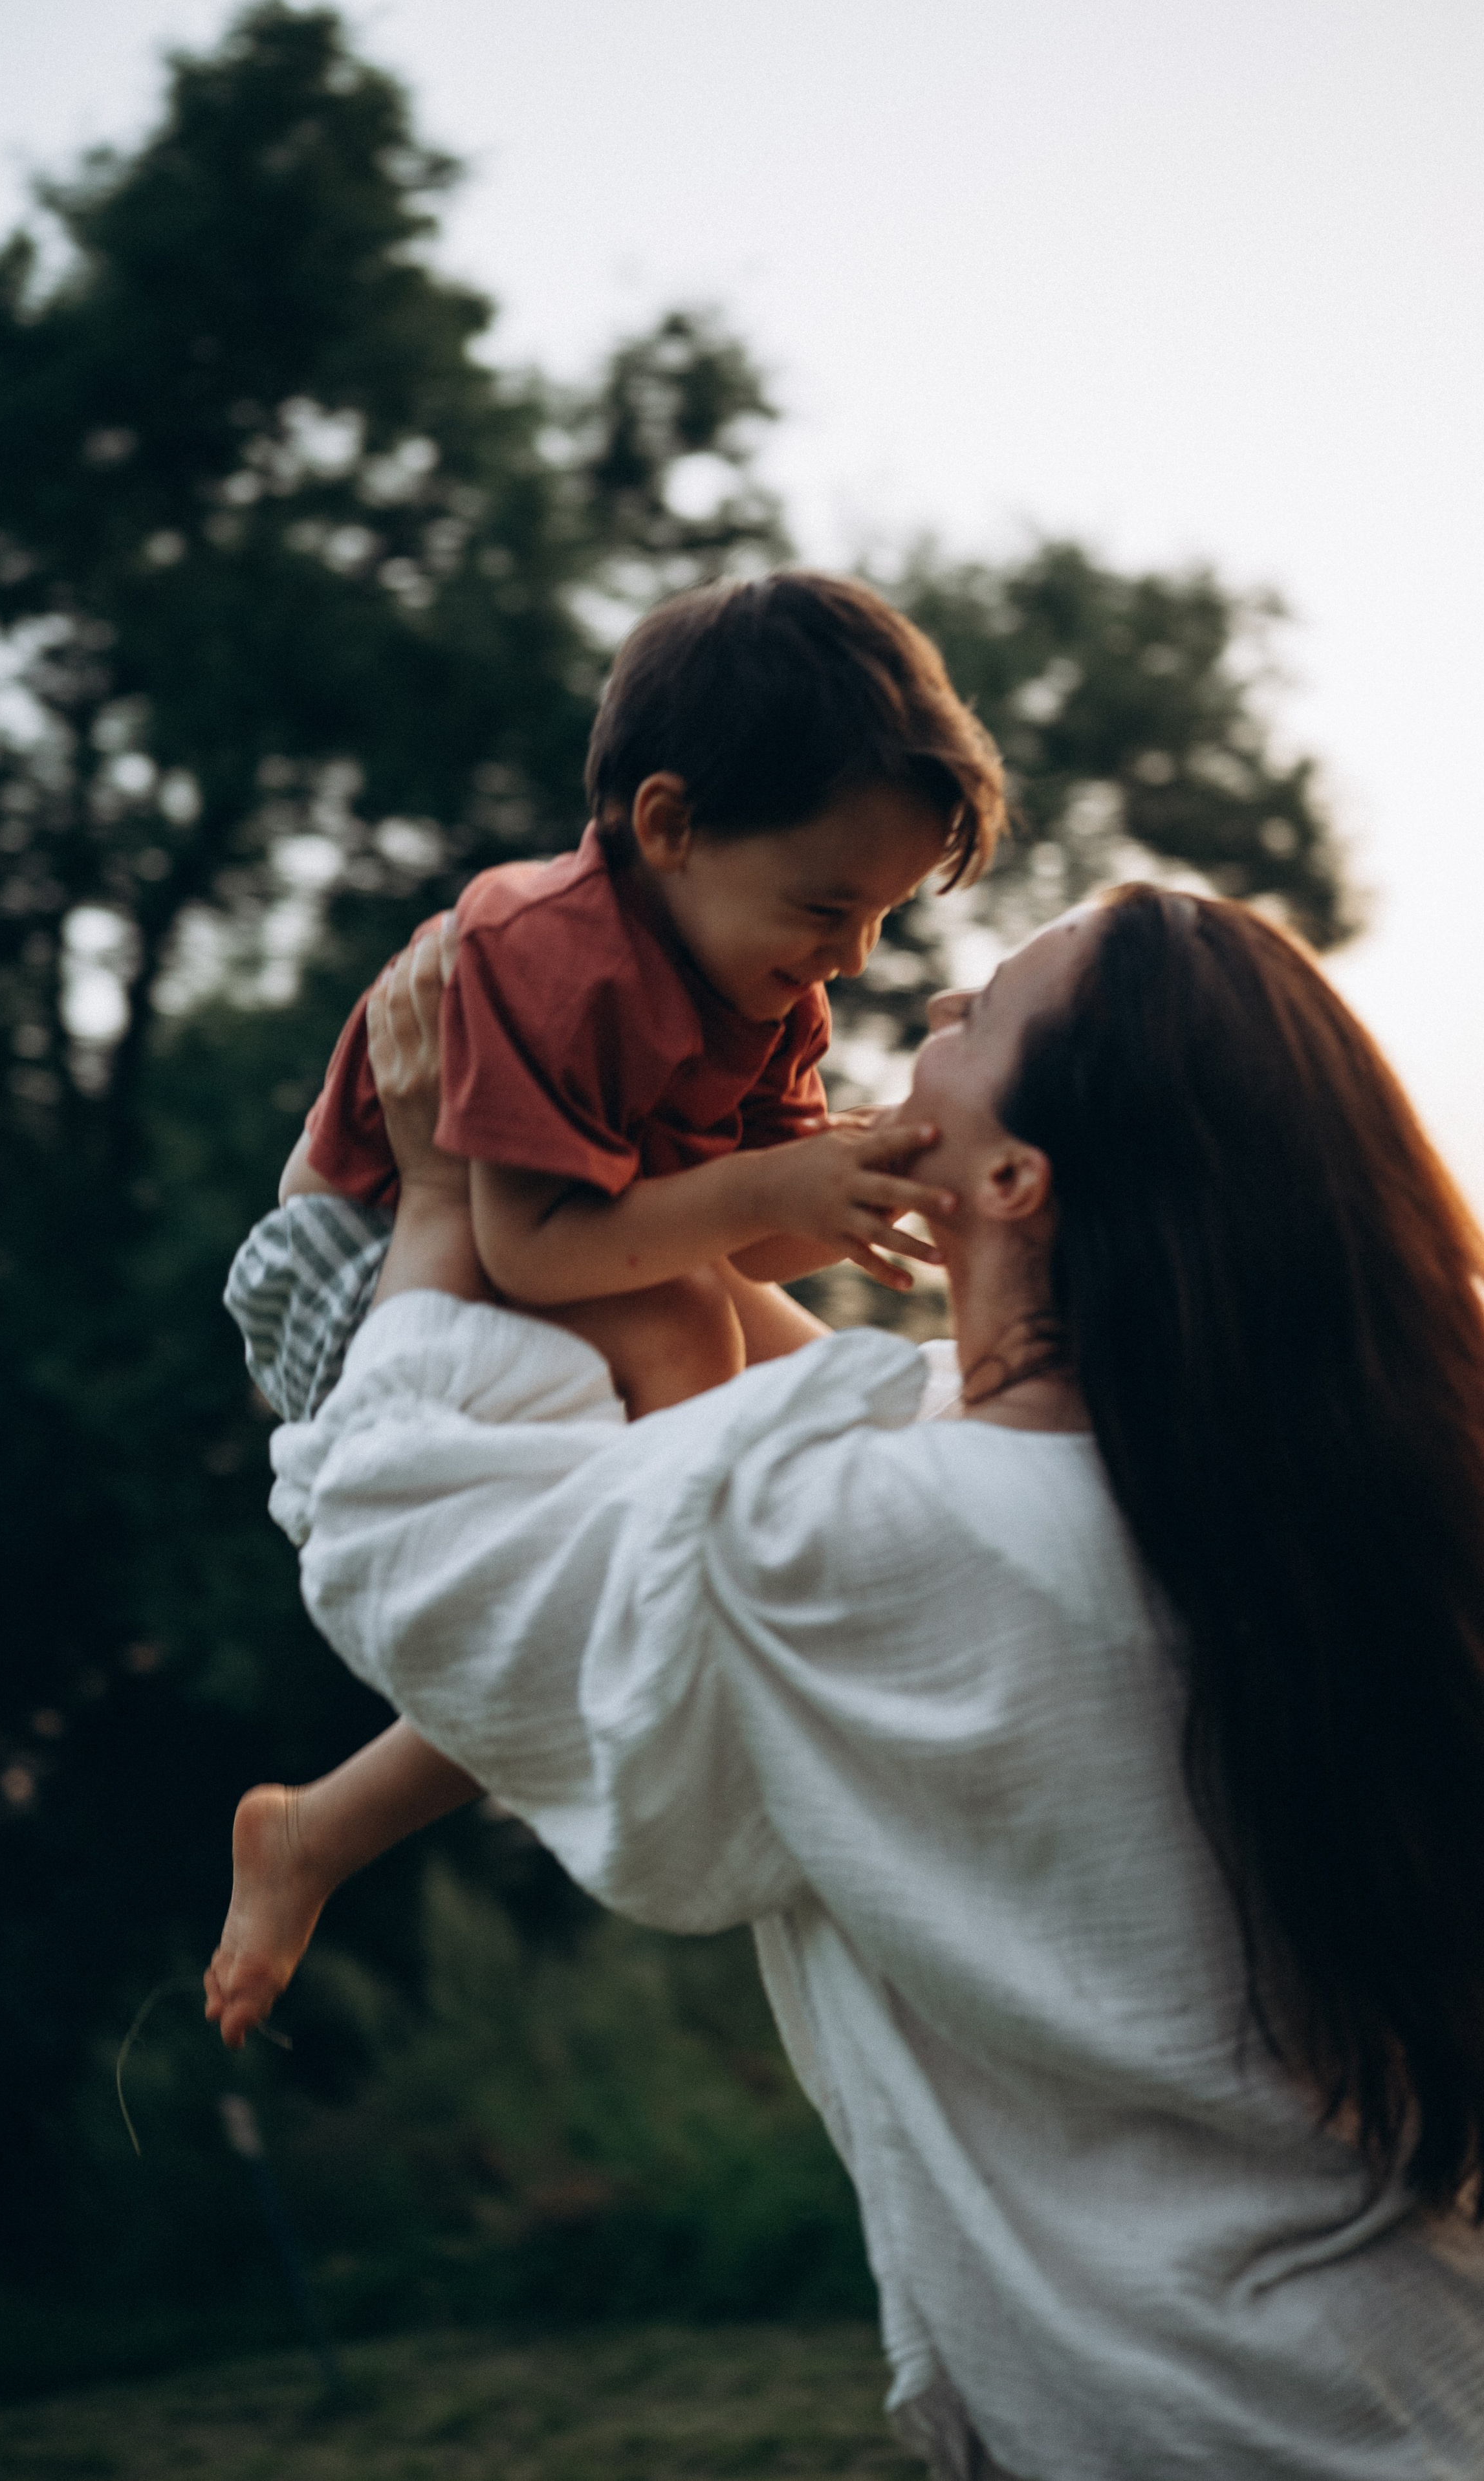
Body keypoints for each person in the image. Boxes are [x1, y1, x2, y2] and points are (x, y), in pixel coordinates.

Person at [215, 888, 1484, 2476]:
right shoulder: (1295, 1509)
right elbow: (796, 1378)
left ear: (1016, 1176)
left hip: (1214, 2424)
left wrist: (426, 1198)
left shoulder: (881, 1539)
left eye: (981, 1014)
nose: (929, 1014)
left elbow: (413, 1552)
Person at [210, 573, 1003, 2038]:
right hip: (370, 1255)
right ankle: (721, 1596)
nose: (850, 958)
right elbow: (530, 1252)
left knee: (837, 1414)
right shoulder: (542, 954)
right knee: (696, 1390)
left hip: (588, 1252)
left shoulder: (767, 980)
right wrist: (768, 1197)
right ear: (666, 826)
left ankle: (318, 1829)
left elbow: (747, 1243)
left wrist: (847, 1182)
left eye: (881, 915)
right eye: (827, 905)